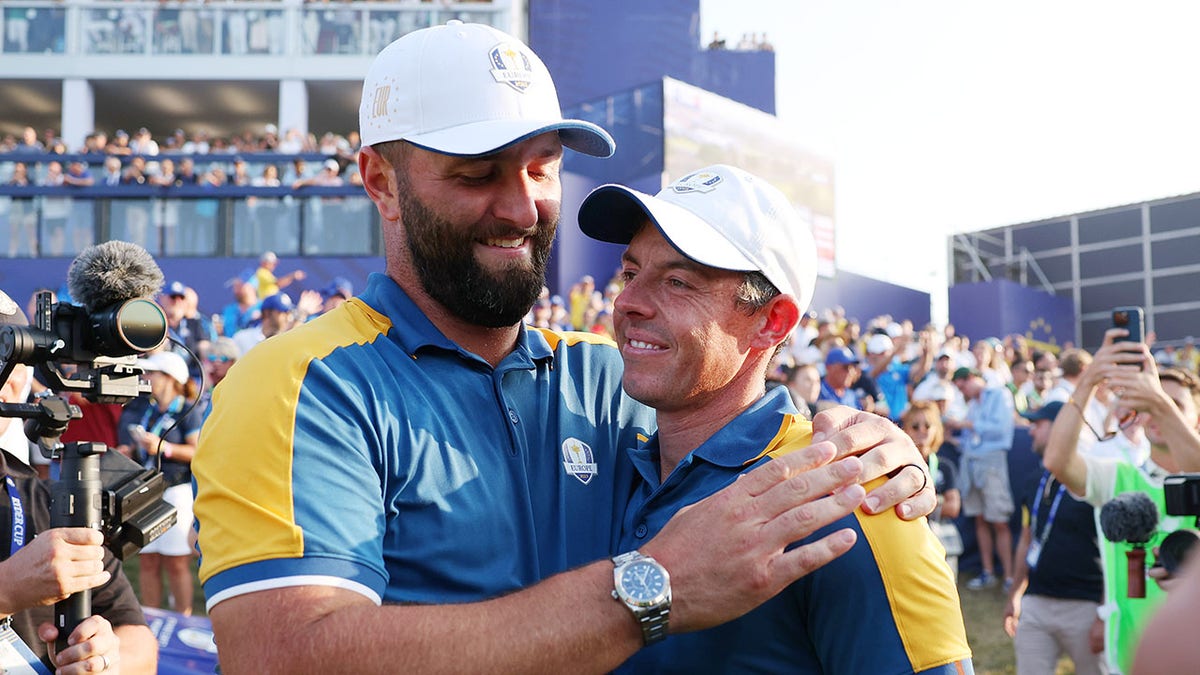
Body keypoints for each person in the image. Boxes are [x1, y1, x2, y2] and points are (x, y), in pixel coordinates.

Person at [192, 21, 935, 674]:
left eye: (543, 167)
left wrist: (862, 444)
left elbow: (736, 414)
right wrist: (649, 586)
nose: (520, 208)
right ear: (382, 182)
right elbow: (280, 657)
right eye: (477, 173)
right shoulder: (300, 384)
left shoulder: (611, 377)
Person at [577, 165, 972, 673]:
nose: (628, 302)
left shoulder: (852, 495)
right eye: (630, 273)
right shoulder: (605, 459)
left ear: (772, 322)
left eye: (677, 282)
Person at [0, 289, 157, 673]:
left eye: (11, 363)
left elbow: (139, 640)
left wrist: (105, 660)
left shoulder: (48, 501)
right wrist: (6, 589)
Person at [1041, 329, 1200, 674]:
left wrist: (1157, 400)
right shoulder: (1120, 477)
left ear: (1196, 419)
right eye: (1154, 402)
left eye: (1176, 405)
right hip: (1125, 661)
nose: (1161, 410)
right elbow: (1057, 461)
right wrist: (1087, 381)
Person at [1004, 401, 1106, 675]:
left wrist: (1104, 615)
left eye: (1038, 425)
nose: (1031, 432)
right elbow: (1027, 539)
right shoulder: (1034, 480)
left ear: (1062, 428)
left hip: (1085, 607)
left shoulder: (1095, 478)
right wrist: (1016, 594)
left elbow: (1114, 551)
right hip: (1036, 605)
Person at [115, 350, 202, 617]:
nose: (147, 377)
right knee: (148, 560)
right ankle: (151, 619)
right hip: (148, 491)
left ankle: (183, 619)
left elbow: (197, 451)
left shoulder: (189, 409)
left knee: (176, 563)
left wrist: (163, 448)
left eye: (153, 373)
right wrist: (131, 451)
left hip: (177, 490)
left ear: (169, 378)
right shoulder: (150, 409)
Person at [949, 365, 1017, 591]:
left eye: (963, 386)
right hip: (971, 462)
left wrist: (966, 424)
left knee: (999, 520)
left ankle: (1009, 576)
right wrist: (952, 438)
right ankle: (988, 572)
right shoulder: (973, 404)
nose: (964, 392)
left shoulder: (999, 394)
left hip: (991, 463)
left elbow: (1001, 429)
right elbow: (972, 438)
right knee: (979, 519)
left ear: (972, 378)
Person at [902, 400, 963, 575]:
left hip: (938, 540)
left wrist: (914, 505)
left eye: (927, 426)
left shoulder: (945, 467)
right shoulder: (897, 466)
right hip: (907, 541)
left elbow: (953, 508)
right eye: (915, 426)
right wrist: (937, 502)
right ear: (905, 429)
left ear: (936, 429)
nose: (922, 431)